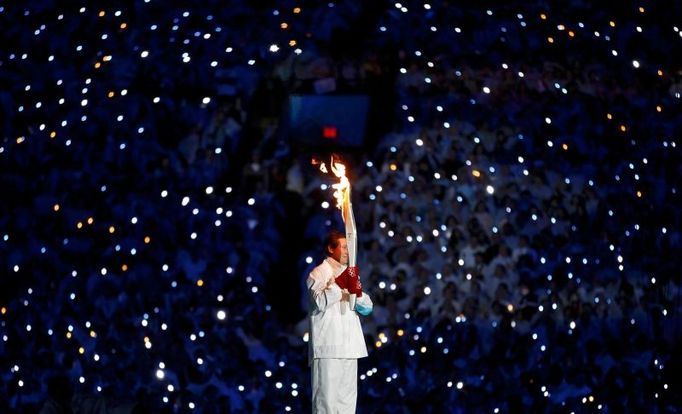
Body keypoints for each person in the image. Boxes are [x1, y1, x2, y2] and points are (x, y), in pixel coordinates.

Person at [307, 230, 373, 413]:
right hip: (328, 346)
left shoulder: (350, 274)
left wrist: (355, 291)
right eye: (343, 247)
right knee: (326, 403)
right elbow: (320, 301)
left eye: (348, 247)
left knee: (347, 405)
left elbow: (367, 308)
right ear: (330, 248)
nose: (347, 251)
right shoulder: (317, 273)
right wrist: (339, 284)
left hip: (351, 346)